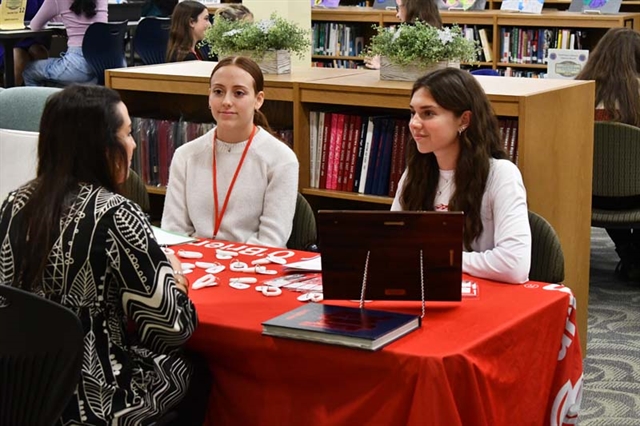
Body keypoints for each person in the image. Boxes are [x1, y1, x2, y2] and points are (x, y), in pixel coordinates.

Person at [0, 85, 210, 425]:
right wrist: (174, 277)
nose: (133, 145)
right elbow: (173, 327)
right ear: (102, 146)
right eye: (127, 134)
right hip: (92, 398)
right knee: (192, 368)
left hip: (19, 391)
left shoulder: (13, 203)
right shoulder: (116, 214)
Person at [391, 68, 531, 284]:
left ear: (464, 120)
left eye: (428, 113)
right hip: (427, 289)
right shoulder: (414, 173)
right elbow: (393, 245)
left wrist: (438, 259)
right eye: (413, 113)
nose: (414, 124)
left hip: (486, 299)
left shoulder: (501, 174)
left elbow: (515, 265)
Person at [162, 56, 299, 248]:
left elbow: (271, 241)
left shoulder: (282, 159)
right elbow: (173, 232)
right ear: (209, 96)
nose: (226, 101)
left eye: (239, 93)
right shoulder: (185, 156)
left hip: (254, 267)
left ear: (258, 100)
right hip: (193, 264)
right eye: (218, 92)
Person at [576, 27, 640, 281]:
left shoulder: (575, 92)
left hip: (590, 194)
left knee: (612, 182)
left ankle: (628, 252)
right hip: (636, 196)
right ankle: (634, 255)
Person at [22, 0, 107, 86]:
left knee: (29, 71)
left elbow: (35, 26)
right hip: (106, 63)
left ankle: (40, 98)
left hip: (78, 65)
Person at [365, 0, 443, 69]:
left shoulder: (409, 36)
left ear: (411, 8)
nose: (397, 15)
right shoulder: (437, 33)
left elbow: (408, 69)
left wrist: (383, 64)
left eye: (399, 8)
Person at [0, 0, 49, 86]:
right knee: (17, 56)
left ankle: (37, 94)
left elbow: (48, 15)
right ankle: (9, 96)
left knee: (39, 52)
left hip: (30, 38)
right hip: (4, 40)